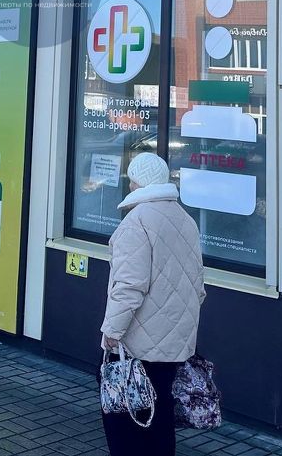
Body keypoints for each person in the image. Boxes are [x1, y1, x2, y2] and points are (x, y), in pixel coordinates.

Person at [100, 153, 205, 456]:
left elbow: (129, 286)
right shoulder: (185, 220)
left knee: (125, 415)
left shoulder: (136, 223)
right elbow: (198, 284)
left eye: (132, 179)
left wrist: (112, 331)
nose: (129, 184)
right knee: (161, 416)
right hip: (175, 341)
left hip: (138, 343)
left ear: (139, 183)